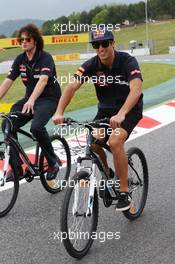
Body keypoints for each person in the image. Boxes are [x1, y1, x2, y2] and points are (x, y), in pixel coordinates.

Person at [52, 28, 143, 211]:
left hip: (129, 108)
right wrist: (59, 111)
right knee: (93, 143)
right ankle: (108, 174)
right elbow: (72, 86)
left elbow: (136, 90)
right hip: (105, 111)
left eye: (104, 44)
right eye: (96, 45)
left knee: (115, 141)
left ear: (112, 43)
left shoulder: (127, 61)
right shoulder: (92, 64)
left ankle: (124, 193)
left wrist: (122, 113)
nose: (100, 48)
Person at [0, 24, 61, 181]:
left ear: (35, 40)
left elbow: (43, 80)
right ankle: (17, 167)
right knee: (7, 124)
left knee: (36, 127)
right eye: (21, 39)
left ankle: (53, 162)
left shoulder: (45, 57)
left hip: (48, 98)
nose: (24, 42)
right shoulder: (20, 59)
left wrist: (32, 99)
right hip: (29, 98)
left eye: (28, 39)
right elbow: (8, 81)